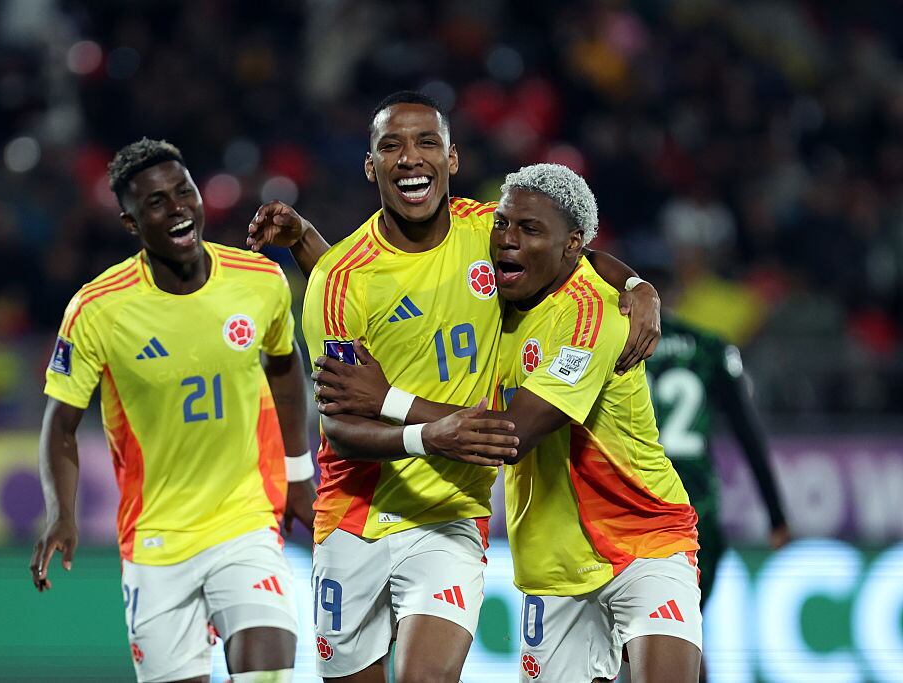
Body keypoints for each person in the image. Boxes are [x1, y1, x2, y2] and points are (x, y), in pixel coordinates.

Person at [246, 91, 662, 683]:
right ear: (370, 166)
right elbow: (339, 427)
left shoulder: (489, 230)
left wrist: (638, 286)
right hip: (354, 513)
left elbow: (571, 253)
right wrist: (429, 436)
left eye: (427, 142)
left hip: (451, 513)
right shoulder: (338, 280)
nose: (410, 157)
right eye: (391, 146)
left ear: (453, 158)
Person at [312, 163, 703, 682]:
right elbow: (389, 280)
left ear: (571, 245)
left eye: (529, 229)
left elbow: (510, 438)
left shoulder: (596, 317)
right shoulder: (498, 300)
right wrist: (305, 242)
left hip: (643, 540)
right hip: (549, 565)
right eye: (502, 224)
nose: (507, 240)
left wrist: (388, 400)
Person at [29, 138, 316, 683]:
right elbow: (61, 426)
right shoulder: (98, 309)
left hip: (246, 522)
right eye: (156, 202)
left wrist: (298, 475)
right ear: (131, 223)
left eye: (184, 192)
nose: (178, 208)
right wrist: (61, 512)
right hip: (156, 541)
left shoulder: (259, 280)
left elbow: (284, 366)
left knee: (270, 673)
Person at [645, 311, 790, 681]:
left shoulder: (617, 339)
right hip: (696, 513)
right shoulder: (709, 348)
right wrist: (777, 516)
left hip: (635, 507)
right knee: (684, 633)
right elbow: (748, 432)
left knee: (633, 642)